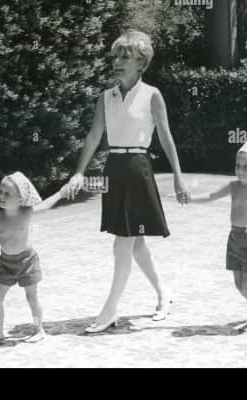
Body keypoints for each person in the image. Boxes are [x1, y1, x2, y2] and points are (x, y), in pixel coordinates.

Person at [67, 30, 189, 333]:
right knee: (136, 242)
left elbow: (166, 137)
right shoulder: (105, 97)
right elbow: (94, 136)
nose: (118, 62)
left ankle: (110, 310)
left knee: (123, 242)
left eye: (126, 56)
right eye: (116, 56)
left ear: (141, 63)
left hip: (138, 167)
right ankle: (164, 293)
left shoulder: (152, 95)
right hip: (114, 169)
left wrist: (178, 176)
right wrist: (79, 171)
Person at [188, 141, 247, 332]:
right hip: (235, 240)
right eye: (237, 165)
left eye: (246, 166)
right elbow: (211, 196)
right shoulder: (233, 186)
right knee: (239, 285)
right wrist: (189, 199)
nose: (240, 170)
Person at [0, 171, 69, 343]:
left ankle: (39, 329)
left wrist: (61, 193)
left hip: (27, 262)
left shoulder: (26, 212)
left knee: (32, 298)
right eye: (0, 192)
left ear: (20, 198)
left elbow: (45, 205)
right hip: (6, 264)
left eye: (7, 194)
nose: (1, 196)